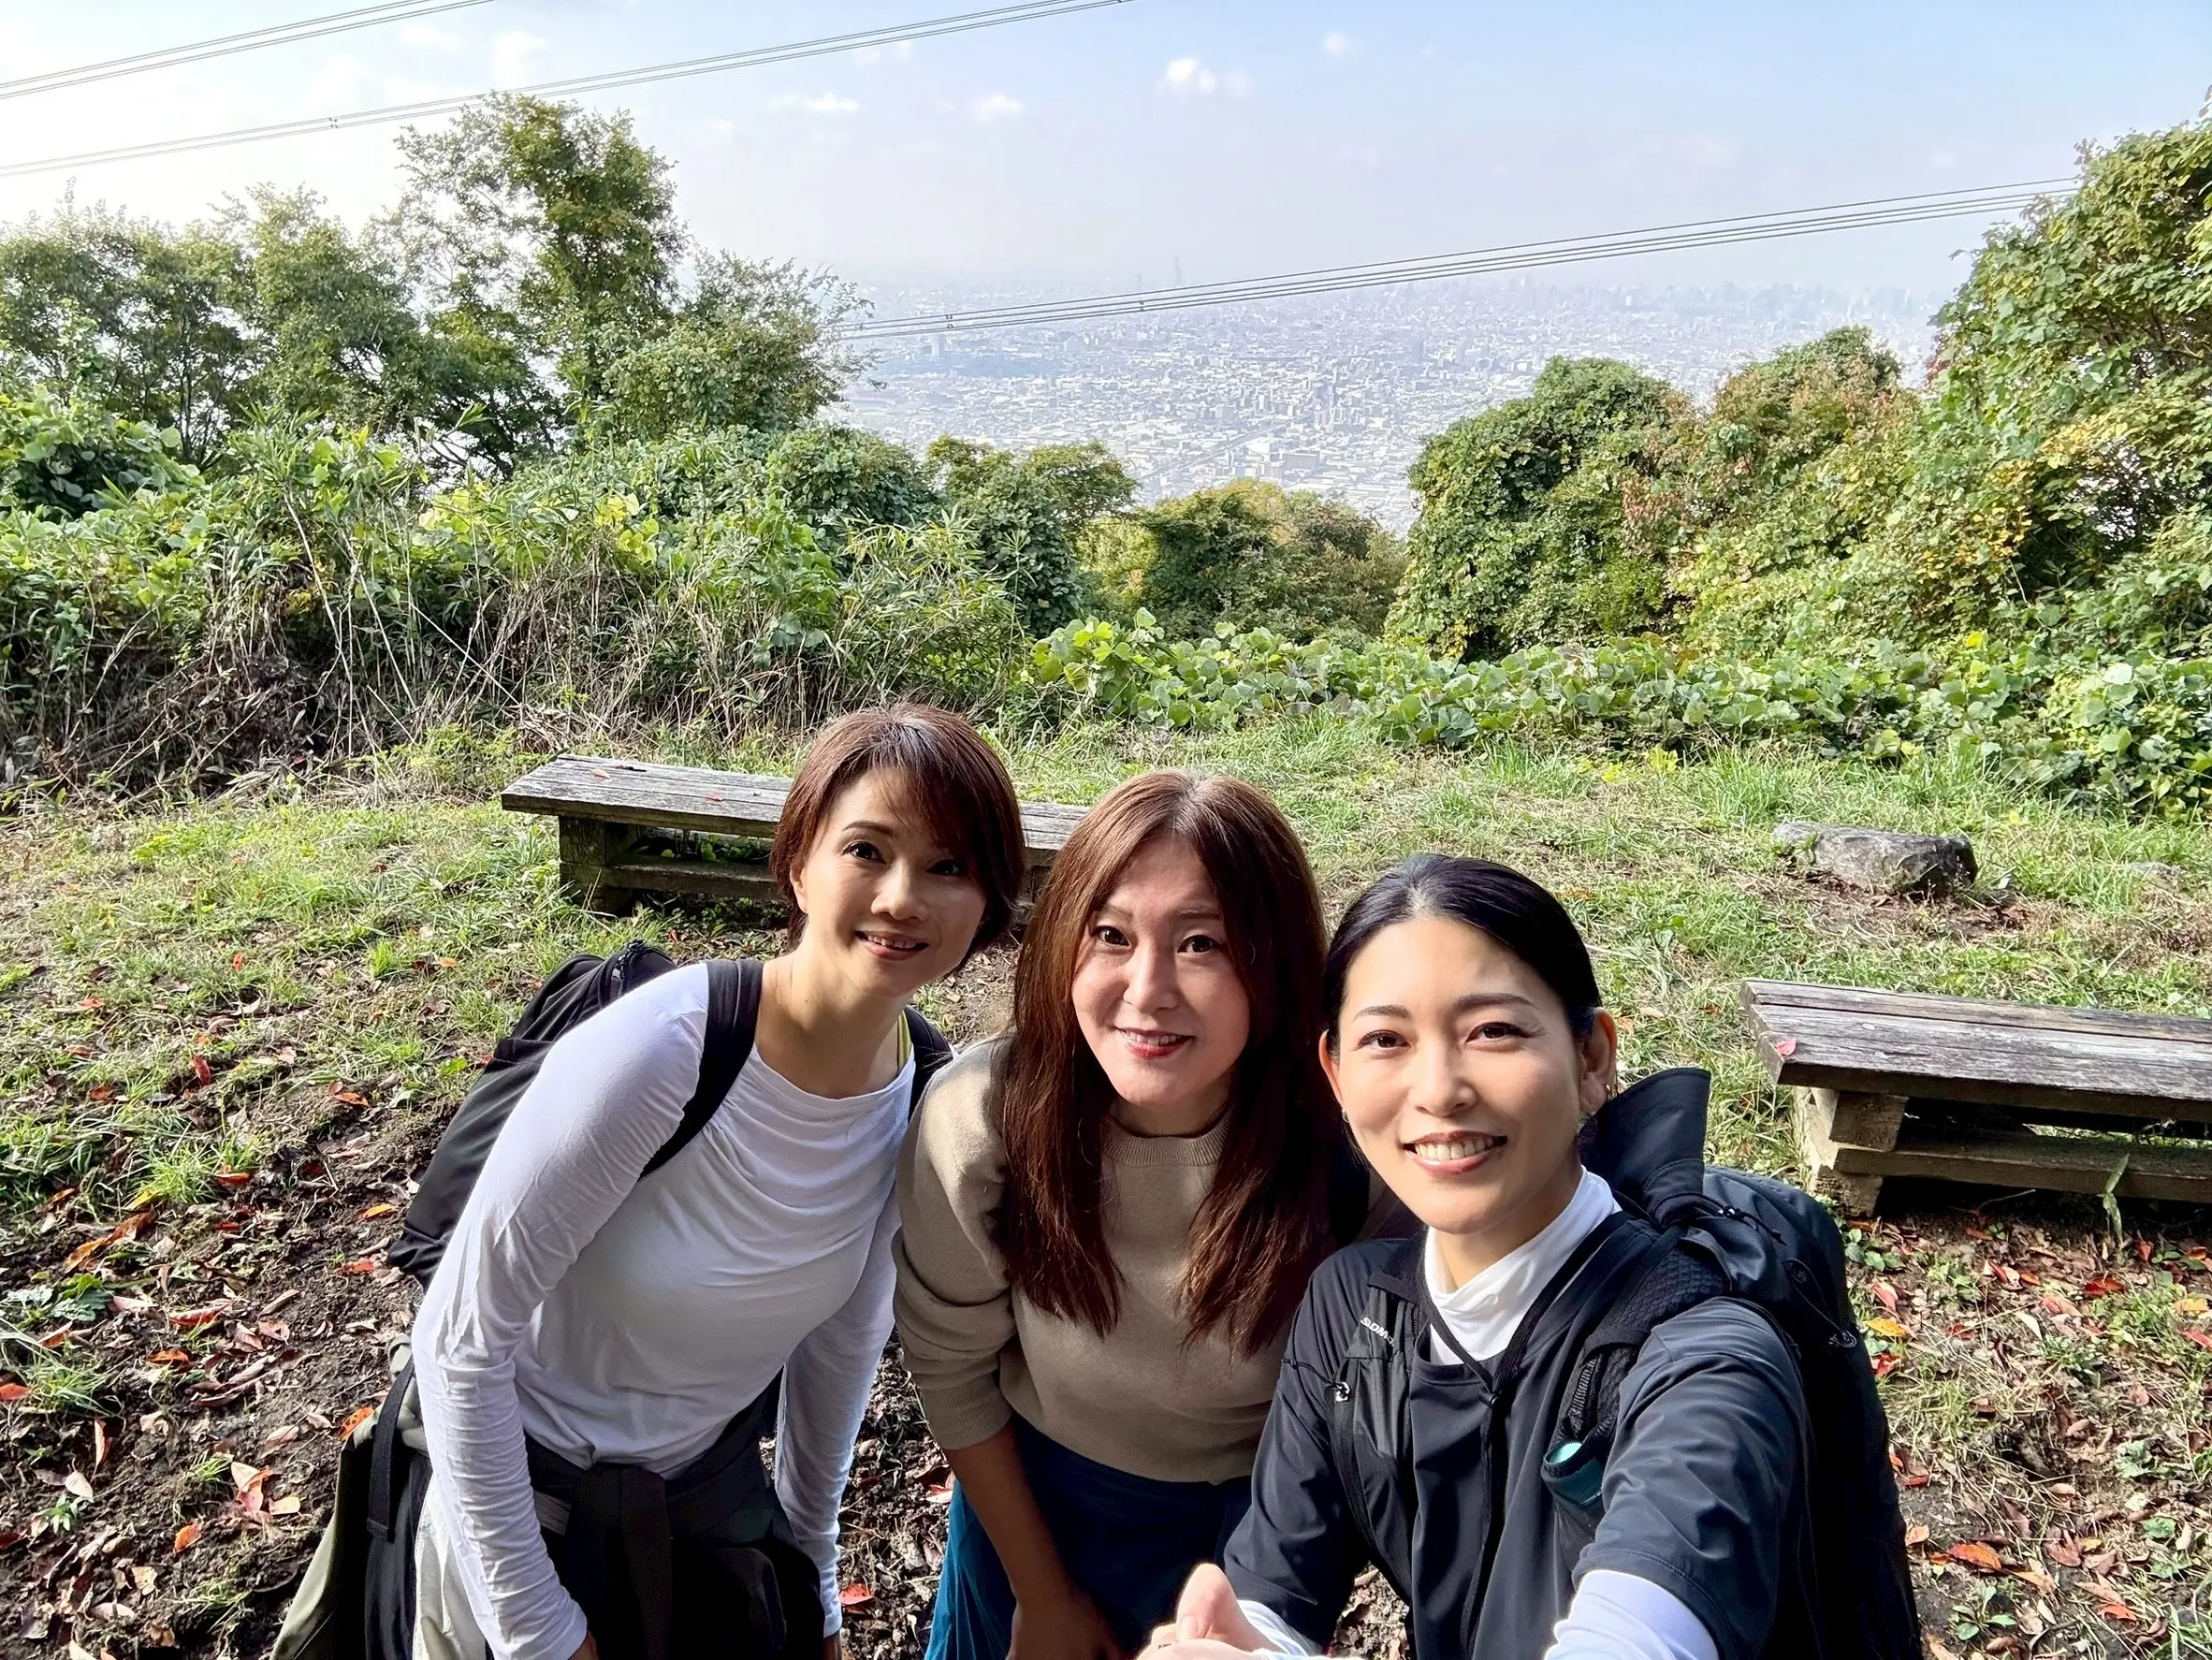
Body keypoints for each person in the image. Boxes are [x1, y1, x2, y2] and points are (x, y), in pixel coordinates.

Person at [405, 705, 1028, 1660]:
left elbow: (842, 1344)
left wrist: (812, 1576)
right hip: (520, 1522)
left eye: (949, 866)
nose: (904, 896)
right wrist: (540, 1630)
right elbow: (460, 1340)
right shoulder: (665, 1051)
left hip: (699, 1519)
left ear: (986, 903)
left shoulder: (919, 1092)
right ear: (800, 865)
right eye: (867, 848)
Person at [1147, 853, 1817, 1660]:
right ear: (1334, 1073)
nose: (1438, 1089)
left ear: (1593, 1058)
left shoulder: (1702, 1363)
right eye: (1385, 1039)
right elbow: (1275, 1595)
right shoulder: (1355, 1308)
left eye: (1492, 1031)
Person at [895, 770, 1406, 1660]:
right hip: (1030, 1509)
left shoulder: (1356, 1157)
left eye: (1202, 942)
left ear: (1275, 960)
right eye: (1110, 936)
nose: (1148, 989)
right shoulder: (983, 1118)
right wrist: (1041, 1594)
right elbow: (950, 1368)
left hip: (1255, 1531)